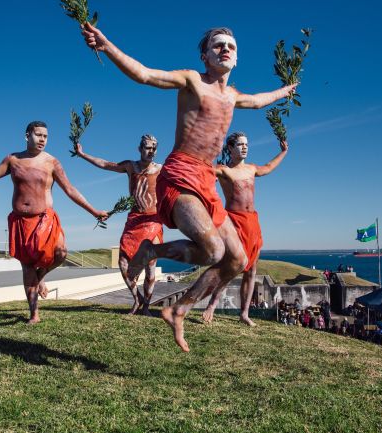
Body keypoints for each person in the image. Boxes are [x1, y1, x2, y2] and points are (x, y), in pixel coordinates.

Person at [81, 23, 295, 351]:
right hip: (180, 175)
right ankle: (150, 251)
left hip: (206, 180)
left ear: (236, 59)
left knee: (237, 260)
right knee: (213, 251)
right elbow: (144, 74)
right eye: (218, 45)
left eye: (231, 47)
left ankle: (180, 308)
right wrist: (107, 45)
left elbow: (258, 100)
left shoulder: (233, 96)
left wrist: (284, 91)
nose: (225, 50)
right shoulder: (192, 80)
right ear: (205, 55)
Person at [0, 121, 108, 324]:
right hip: (21, 222)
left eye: (45, 136)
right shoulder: (13, 160)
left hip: (45, 219)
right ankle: (34, 314)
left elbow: (70, 190)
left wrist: (93, 211)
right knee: (27, 268)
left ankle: (40, 278)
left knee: (61, 253)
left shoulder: (52, 162)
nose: (42, 140)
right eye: (38, 135)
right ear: (27, 135)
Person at [201, 132, 288, 326]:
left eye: (247, 144)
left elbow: (268, 167)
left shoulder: (251, 169)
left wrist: (283, 152)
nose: (245, 147)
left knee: (251, 271)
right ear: (230, 148)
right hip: (234, 221)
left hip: (252, 222)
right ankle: (212, 305)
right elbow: (202, 170)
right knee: (231, 268)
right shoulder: (224, 170)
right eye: (240, 144)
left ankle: (244, 313)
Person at [75, 135, 163, 315]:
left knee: (150, 267)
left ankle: (146, 306)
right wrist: (82, 154)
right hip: (134, 220)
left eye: (154, 148)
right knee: (123, 263)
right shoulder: (131, 166)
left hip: (153, 220)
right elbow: (106, 164)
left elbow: (183, 176)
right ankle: (137, 298)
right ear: (140, 149)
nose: (151, 151)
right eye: (147, 147)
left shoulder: (161, 169)